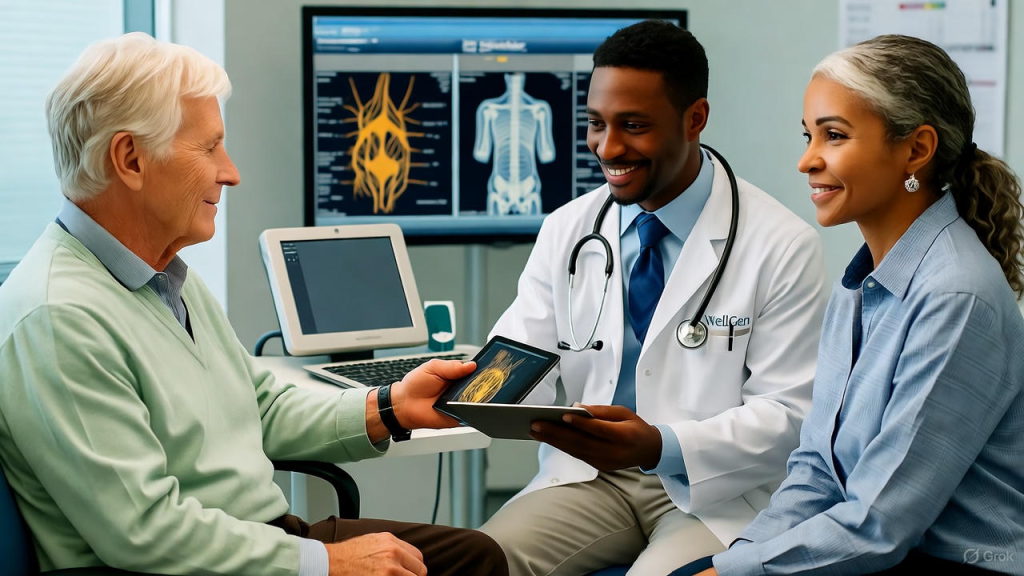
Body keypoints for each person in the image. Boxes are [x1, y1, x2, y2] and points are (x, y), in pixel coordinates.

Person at [0, 33, 508, 576]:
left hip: (252, 537)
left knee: (476, 557)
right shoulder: (60, 318)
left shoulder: (163, 274)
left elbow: (257, 405)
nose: (230, 172)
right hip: (177, 564)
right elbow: (143, 532)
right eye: (208, 147)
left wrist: (390, 406)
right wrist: (326, 563)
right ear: (130, 158)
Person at [479, 20, 830, 575]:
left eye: (634, 126)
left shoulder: (781, 245)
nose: (608, 147)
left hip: (716, 495)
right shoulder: (569, 229)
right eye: (596, 124)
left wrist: (658, 445)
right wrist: (472, 386)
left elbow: (789, 416)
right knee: (478, 561)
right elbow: (522, 352)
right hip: (589, 479)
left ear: (695, 119)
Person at [683, 34, 1024, 576]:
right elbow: (818, 469)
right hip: (880, 553)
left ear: (916, 150)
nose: (806, 160)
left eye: (834, 136)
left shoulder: (954, 296)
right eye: (808, 135)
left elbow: (880, 523)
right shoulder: (860, 282)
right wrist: (736, 562)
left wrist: (735, 574)